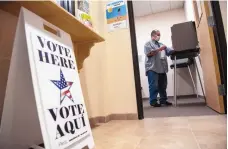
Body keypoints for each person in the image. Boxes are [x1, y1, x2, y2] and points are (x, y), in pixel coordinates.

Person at [144, 30, 173, 107]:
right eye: (158, 35)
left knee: (163, 85)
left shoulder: (161, 44)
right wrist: (160, 49)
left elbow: (169, 52)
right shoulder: (148, 44)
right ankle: (153, 101)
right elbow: (149, 54)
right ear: (153, 35)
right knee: (154, 85)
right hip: (152, 68)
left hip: (162, 68)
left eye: (160, 35)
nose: (159, 36)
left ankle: (163, 100)